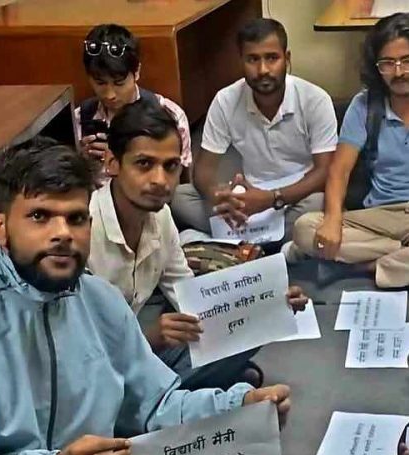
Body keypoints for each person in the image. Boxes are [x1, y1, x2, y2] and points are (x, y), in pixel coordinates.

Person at [0, 137, 291, 455]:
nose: (62, 234)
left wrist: (237, 407)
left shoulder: (99, 299)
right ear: (0, 227)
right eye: (39, 216)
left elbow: (155, 406)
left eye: (75, 218)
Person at [86, 99, 309, 389]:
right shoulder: (82, 229)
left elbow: (189, 296)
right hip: (91, 372)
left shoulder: (161, 217)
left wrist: (268, 302)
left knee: (254, 326)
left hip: (133, 355)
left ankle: (175, 392)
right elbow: (74, 351)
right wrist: (148, 340)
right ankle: (176, 395)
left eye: (170, 166)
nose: (160, 180)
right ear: (112, 163)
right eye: (144, 164)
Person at [291, 12, 409, 288]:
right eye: (388, 63)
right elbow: (340, 170)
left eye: (408, 61)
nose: (398, 72)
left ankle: (362, 267)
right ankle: (403, 257)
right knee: (305, 228)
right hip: (377, 214)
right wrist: (332, 219)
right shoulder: (364, 105)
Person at [171, 18, 337, 246]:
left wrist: (272, 198)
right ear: (241, 60)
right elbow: (203, 171)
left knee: (320, 203)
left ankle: (232, 240)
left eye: (272, 58)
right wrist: (223, 200)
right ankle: (268, 239)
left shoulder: (315, 100)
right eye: (253, 59)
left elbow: (325, 171)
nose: (263, 70)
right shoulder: (225, 100)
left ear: (287, 59)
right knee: (180, 197)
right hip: (246, 200)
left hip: (296, 196)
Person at [75, 23, 193, 179]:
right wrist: (79, 162)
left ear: (136, 71)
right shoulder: (79, 118)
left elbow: (179, 179)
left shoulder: (170, 115)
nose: (110, 95)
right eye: (100, 83)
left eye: (119, 83)